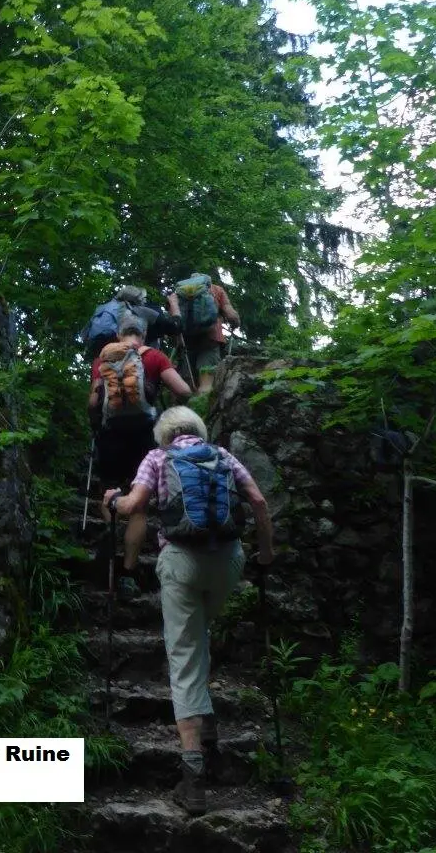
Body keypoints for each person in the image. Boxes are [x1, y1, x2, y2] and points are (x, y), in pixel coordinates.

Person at [101, 406, 273, 814]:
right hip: (228, 562)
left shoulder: (158, 457)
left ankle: (193, 775)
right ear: (198, 430)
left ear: (163, 434)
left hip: (181, 561)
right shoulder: (223, 456)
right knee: (200, 635)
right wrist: (265, 553)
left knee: (183, 656)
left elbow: (133, 506)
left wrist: (113, 499)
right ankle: (207, 718)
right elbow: (259, 502)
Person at [89, 315, 192, 598]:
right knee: (140, 507)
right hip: (145, 436)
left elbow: (94, 402)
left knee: (109, 493)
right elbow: (183, 390)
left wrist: (95, 424)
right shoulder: (154, 356)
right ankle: (129, 571)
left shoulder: (104, 358)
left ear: (118, 334)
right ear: (143, 335)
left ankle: (110, 534)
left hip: (111, 435)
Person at [172, 278, 240, 394]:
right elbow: (231, 315)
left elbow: (174, 318)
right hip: (210, 341)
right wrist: (236, 322)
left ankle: (187, 408)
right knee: (206, 381)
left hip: (186, 343)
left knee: (187, 383)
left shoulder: (181, 291)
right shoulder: (216, 289)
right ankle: (203, 407)